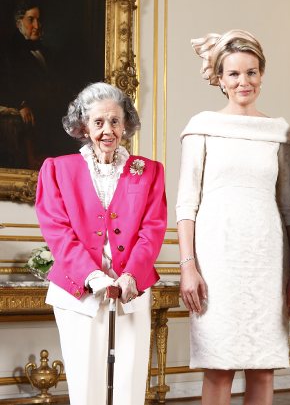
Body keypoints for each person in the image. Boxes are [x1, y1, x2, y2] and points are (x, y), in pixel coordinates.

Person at [176, 29, 290, 405]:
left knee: (262, 367)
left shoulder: (278, 132)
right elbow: (186, 204)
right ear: (219, 78)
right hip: (216, 260)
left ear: (262, 74)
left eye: (251, 72)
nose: (243, 81)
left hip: (267, 259)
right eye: (234, 74)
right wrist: (188, 266)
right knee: (219, 366)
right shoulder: (201, 127)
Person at [35, 82, 167, 404]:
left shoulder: (148, 172)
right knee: (86, 384)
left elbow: (152, 228)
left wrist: (132, 274)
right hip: (77, 292)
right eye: (98, 122)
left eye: (115, 121)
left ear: (126, 124)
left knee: (129, 383)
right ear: (83, 126)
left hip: (131, 287)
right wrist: (92, 276)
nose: (107, 130)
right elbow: (58, 231)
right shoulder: (57, 170)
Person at [0, 0, 72, 166]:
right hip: (34, 109)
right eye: (31, 19)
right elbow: (6, 82)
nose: (37, 25)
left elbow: (56, 81)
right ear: (19, 23)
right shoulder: (9, 51)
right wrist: (21, 104)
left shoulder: (45, 52)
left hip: (52, 108)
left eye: (38, 20)